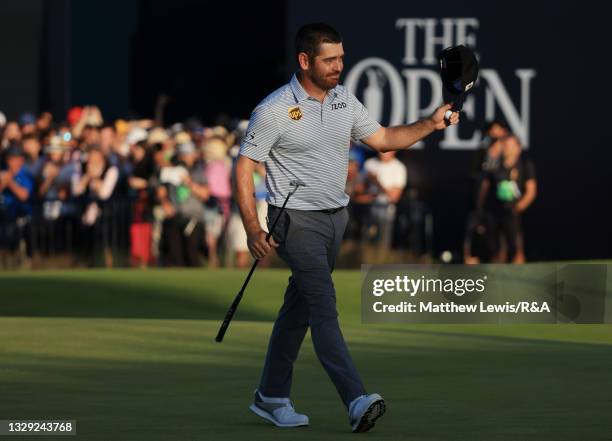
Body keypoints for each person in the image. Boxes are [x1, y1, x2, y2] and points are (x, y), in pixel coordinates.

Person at [235, 23, 459, 433]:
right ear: (305, 61)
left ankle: (270, 396)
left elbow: (386, 138)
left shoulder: (344, 101)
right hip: (293, 220)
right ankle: (356, 399)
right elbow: (244, 166)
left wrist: (429, 123)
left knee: (298, 308)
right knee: (323, 305)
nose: (339, 66)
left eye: (341, 57)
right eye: (330, 60)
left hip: (335, 218)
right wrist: (252, 226)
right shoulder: (273, 109)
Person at [477, 135, 537, 263]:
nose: (507, 148)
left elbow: (531, 191)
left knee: (516, 249)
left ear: (518, 148)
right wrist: (481, 211)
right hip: (493, 213)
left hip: (513, 214)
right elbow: (484, 189)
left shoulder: (525, 165)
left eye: (510, 145)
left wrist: (518, 208)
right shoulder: (493, 166)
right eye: (505, 145)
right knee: (496, 251)